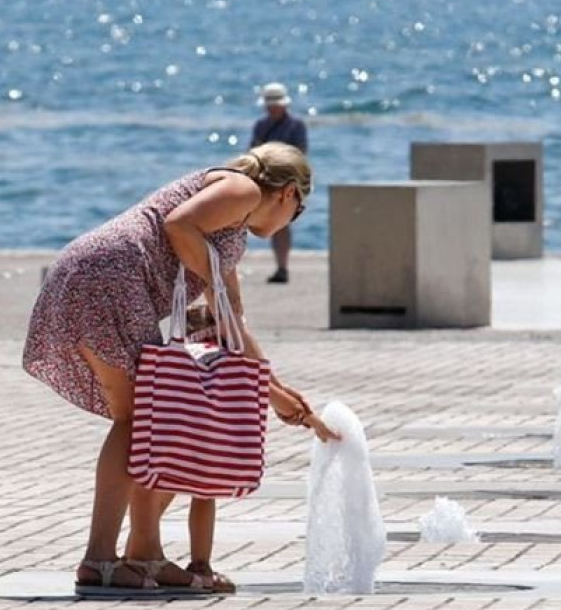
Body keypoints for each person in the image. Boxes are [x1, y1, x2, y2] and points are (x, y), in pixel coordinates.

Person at [22, 142, 339, 597]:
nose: (293, 220)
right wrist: (211, 277)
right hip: (111, 276)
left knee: (141, 418)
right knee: (139, 419)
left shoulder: (234, 230)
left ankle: (136, 553)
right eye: (301, 211)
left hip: (94, 272)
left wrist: (276, 392)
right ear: (289, 194)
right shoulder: (242, 189)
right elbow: (177, 225)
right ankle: (104, 558)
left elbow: (232, 323)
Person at [250, 82, 308, 284]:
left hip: (288, 182)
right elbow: (252, 154)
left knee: (282, 224)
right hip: (265, 182)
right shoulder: (260, 126)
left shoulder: (296, 126)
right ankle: (280, 267)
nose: (272, 108)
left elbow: (300, 155)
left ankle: (282, 267)